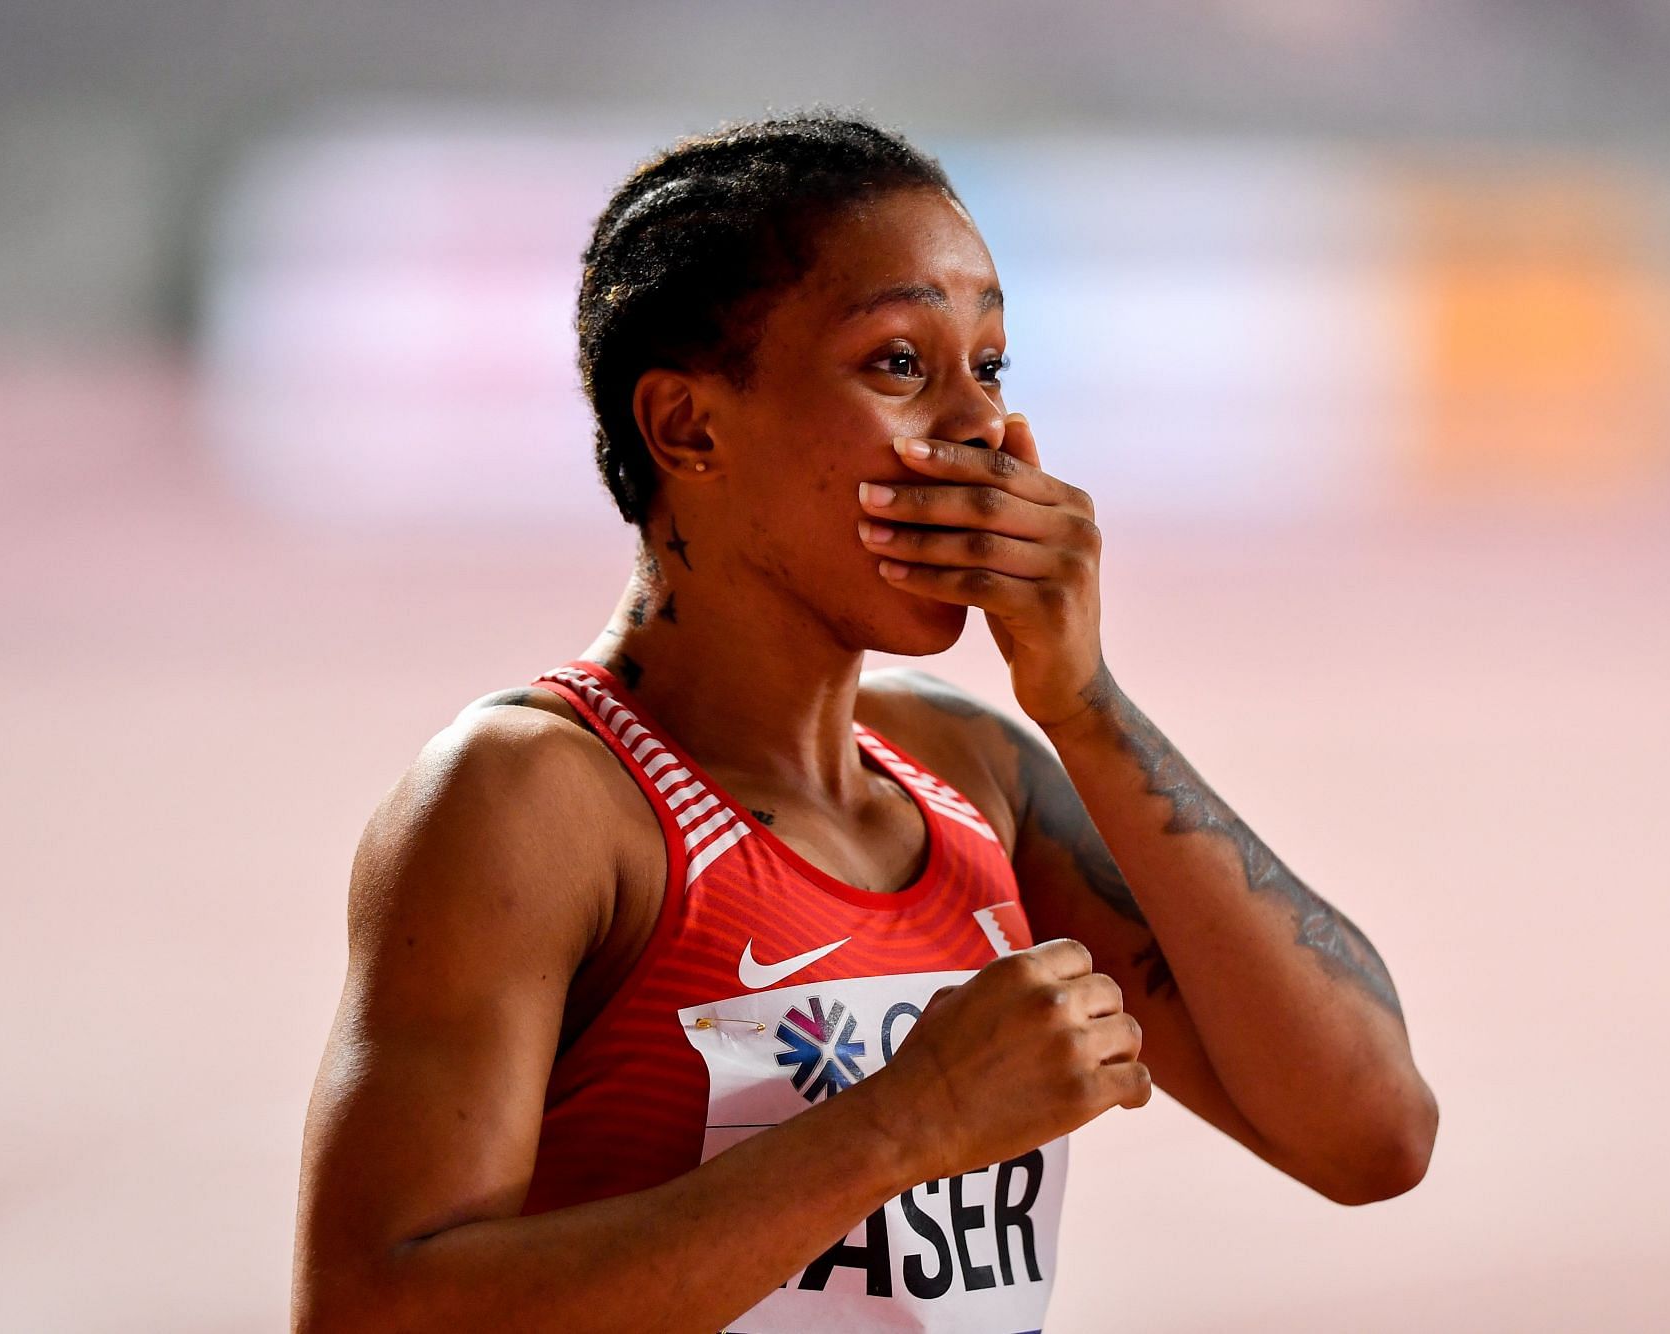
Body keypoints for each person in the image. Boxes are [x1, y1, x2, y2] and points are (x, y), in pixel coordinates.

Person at [292, 111, 1438, 1333]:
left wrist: (1083, 703)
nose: (980, 430)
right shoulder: (534, 797)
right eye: (900, 363)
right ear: (689, 427)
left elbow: (1371, 1132)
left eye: (988, 367)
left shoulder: (970, 771)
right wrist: (903, 1125)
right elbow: (371, 1308)